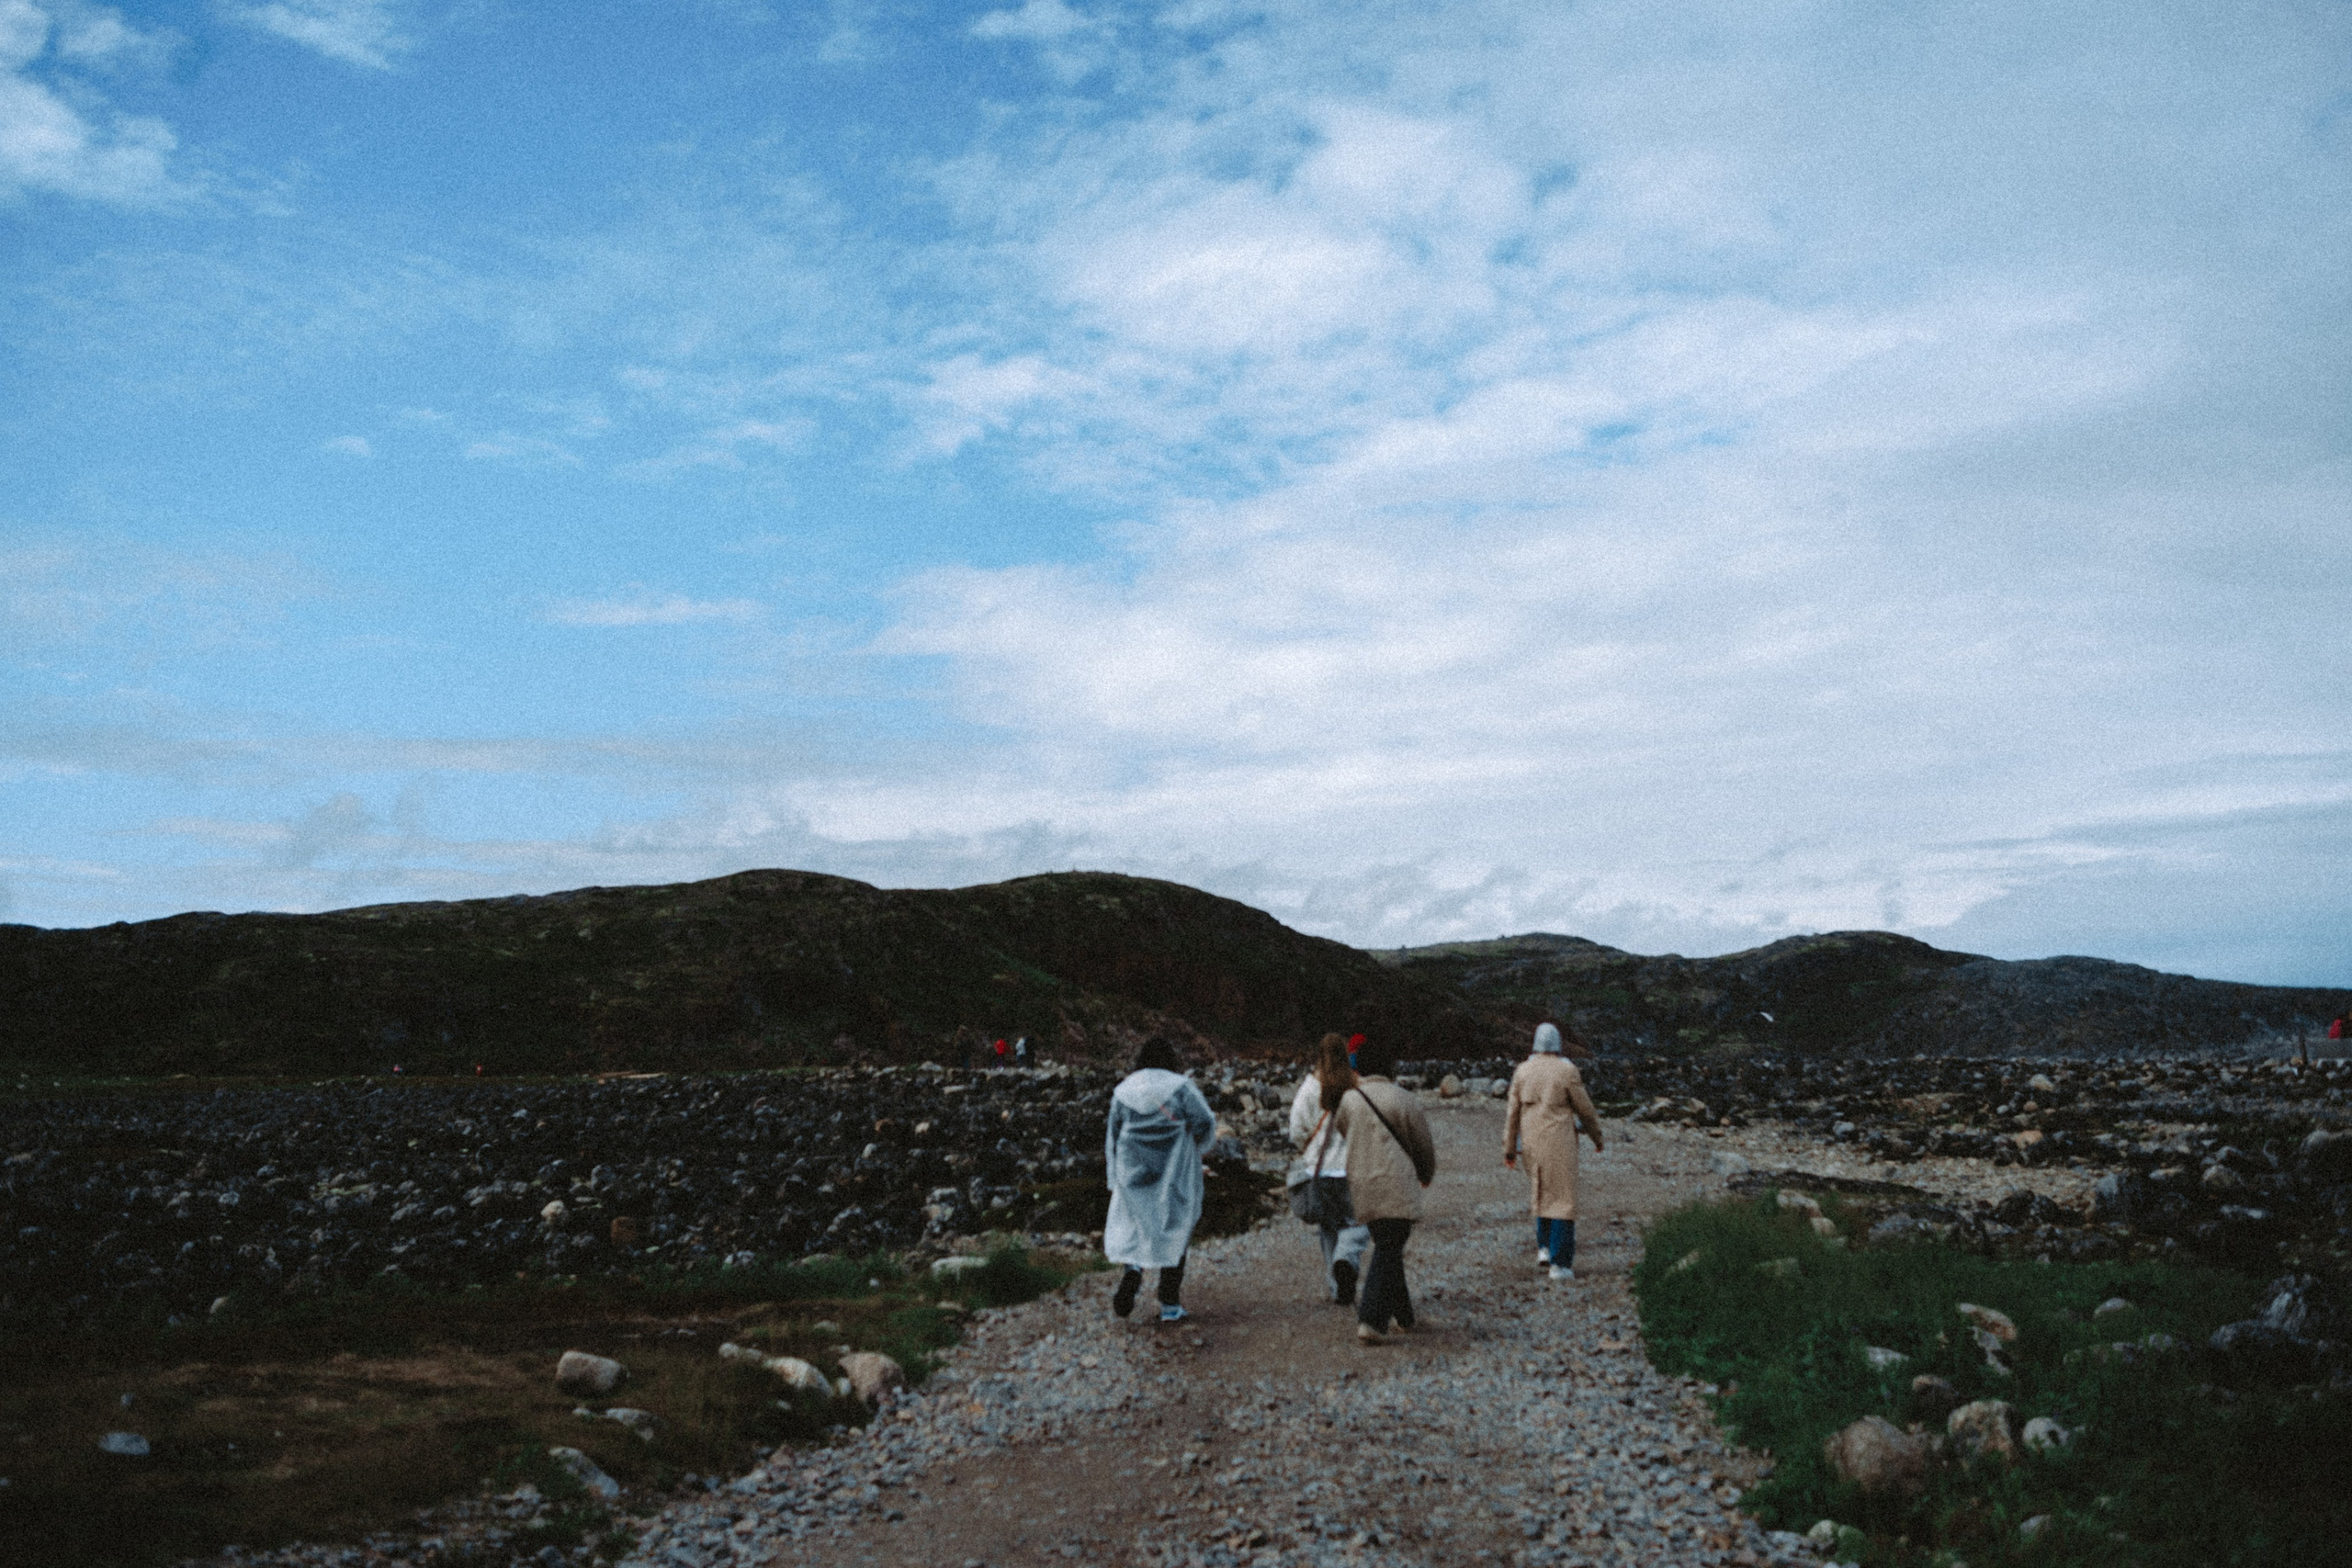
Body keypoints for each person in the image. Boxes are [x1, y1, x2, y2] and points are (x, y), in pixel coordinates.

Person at [1103, 1035, 1217, 1324]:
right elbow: (1204, 1121)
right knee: (1174, 1226)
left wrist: (1113, 1178)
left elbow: (1113, 1135)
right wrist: (1195, 1146)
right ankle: (1169, 1304)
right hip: (1174, 1167)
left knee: (1135, 1224)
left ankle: (1133, 1270)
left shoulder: (1124, 1091)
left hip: (1133, 1170)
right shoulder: (1181, 1087)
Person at [1332, 1034, 1435, 1345]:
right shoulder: (1403, 1098)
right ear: (1390, 1067)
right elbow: (1422, 1145)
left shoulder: (1350, 1100)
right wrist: (1426, 1173)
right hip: (1396, 1183)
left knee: (1387, 1244)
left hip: (1362, 1183)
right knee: (1390, 1246)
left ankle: (1404, 1316)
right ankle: (1371, 1319)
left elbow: (1341, 1128)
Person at [1505, 1021, 1605, 1281]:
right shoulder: (1567, 1071)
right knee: (1562, 1198)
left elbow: (1512, 1113)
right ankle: (1560, 1265)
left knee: (1541, 1189)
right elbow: (1585, 1109)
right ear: (1558, 1043)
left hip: (1531, 1142)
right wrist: (1597, 1137)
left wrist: (1509, 1149)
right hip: (1558, 1140)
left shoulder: (1522, 1071)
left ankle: (1544, 1248)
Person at [1287, 1032, 1371, 1305]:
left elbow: (1296, 1130)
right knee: (1359, 1221)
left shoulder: (1310, 1088)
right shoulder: (1356, 1085)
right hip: (1351, 1168)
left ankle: (1337, 1287)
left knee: (1328, 1227)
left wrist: (1307, 1150)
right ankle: (1346, 1259)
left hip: (1319, 1171)